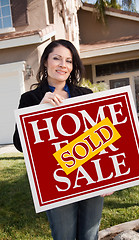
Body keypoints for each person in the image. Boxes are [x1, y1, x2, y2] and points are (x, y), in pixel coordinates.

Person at [13, 39, 110, 240]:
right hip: (56, 181)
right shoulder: (30, 99)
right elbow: (19, 144)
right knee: (64, 235)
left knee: (89, 236)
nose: (63, 65)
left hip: (91, 176)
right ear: (46, 62)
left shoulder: (85, 95)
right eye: (57, 58)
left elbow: (102, 140)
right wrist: (39, 110)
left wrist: (108, 178)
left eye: (69, 60)